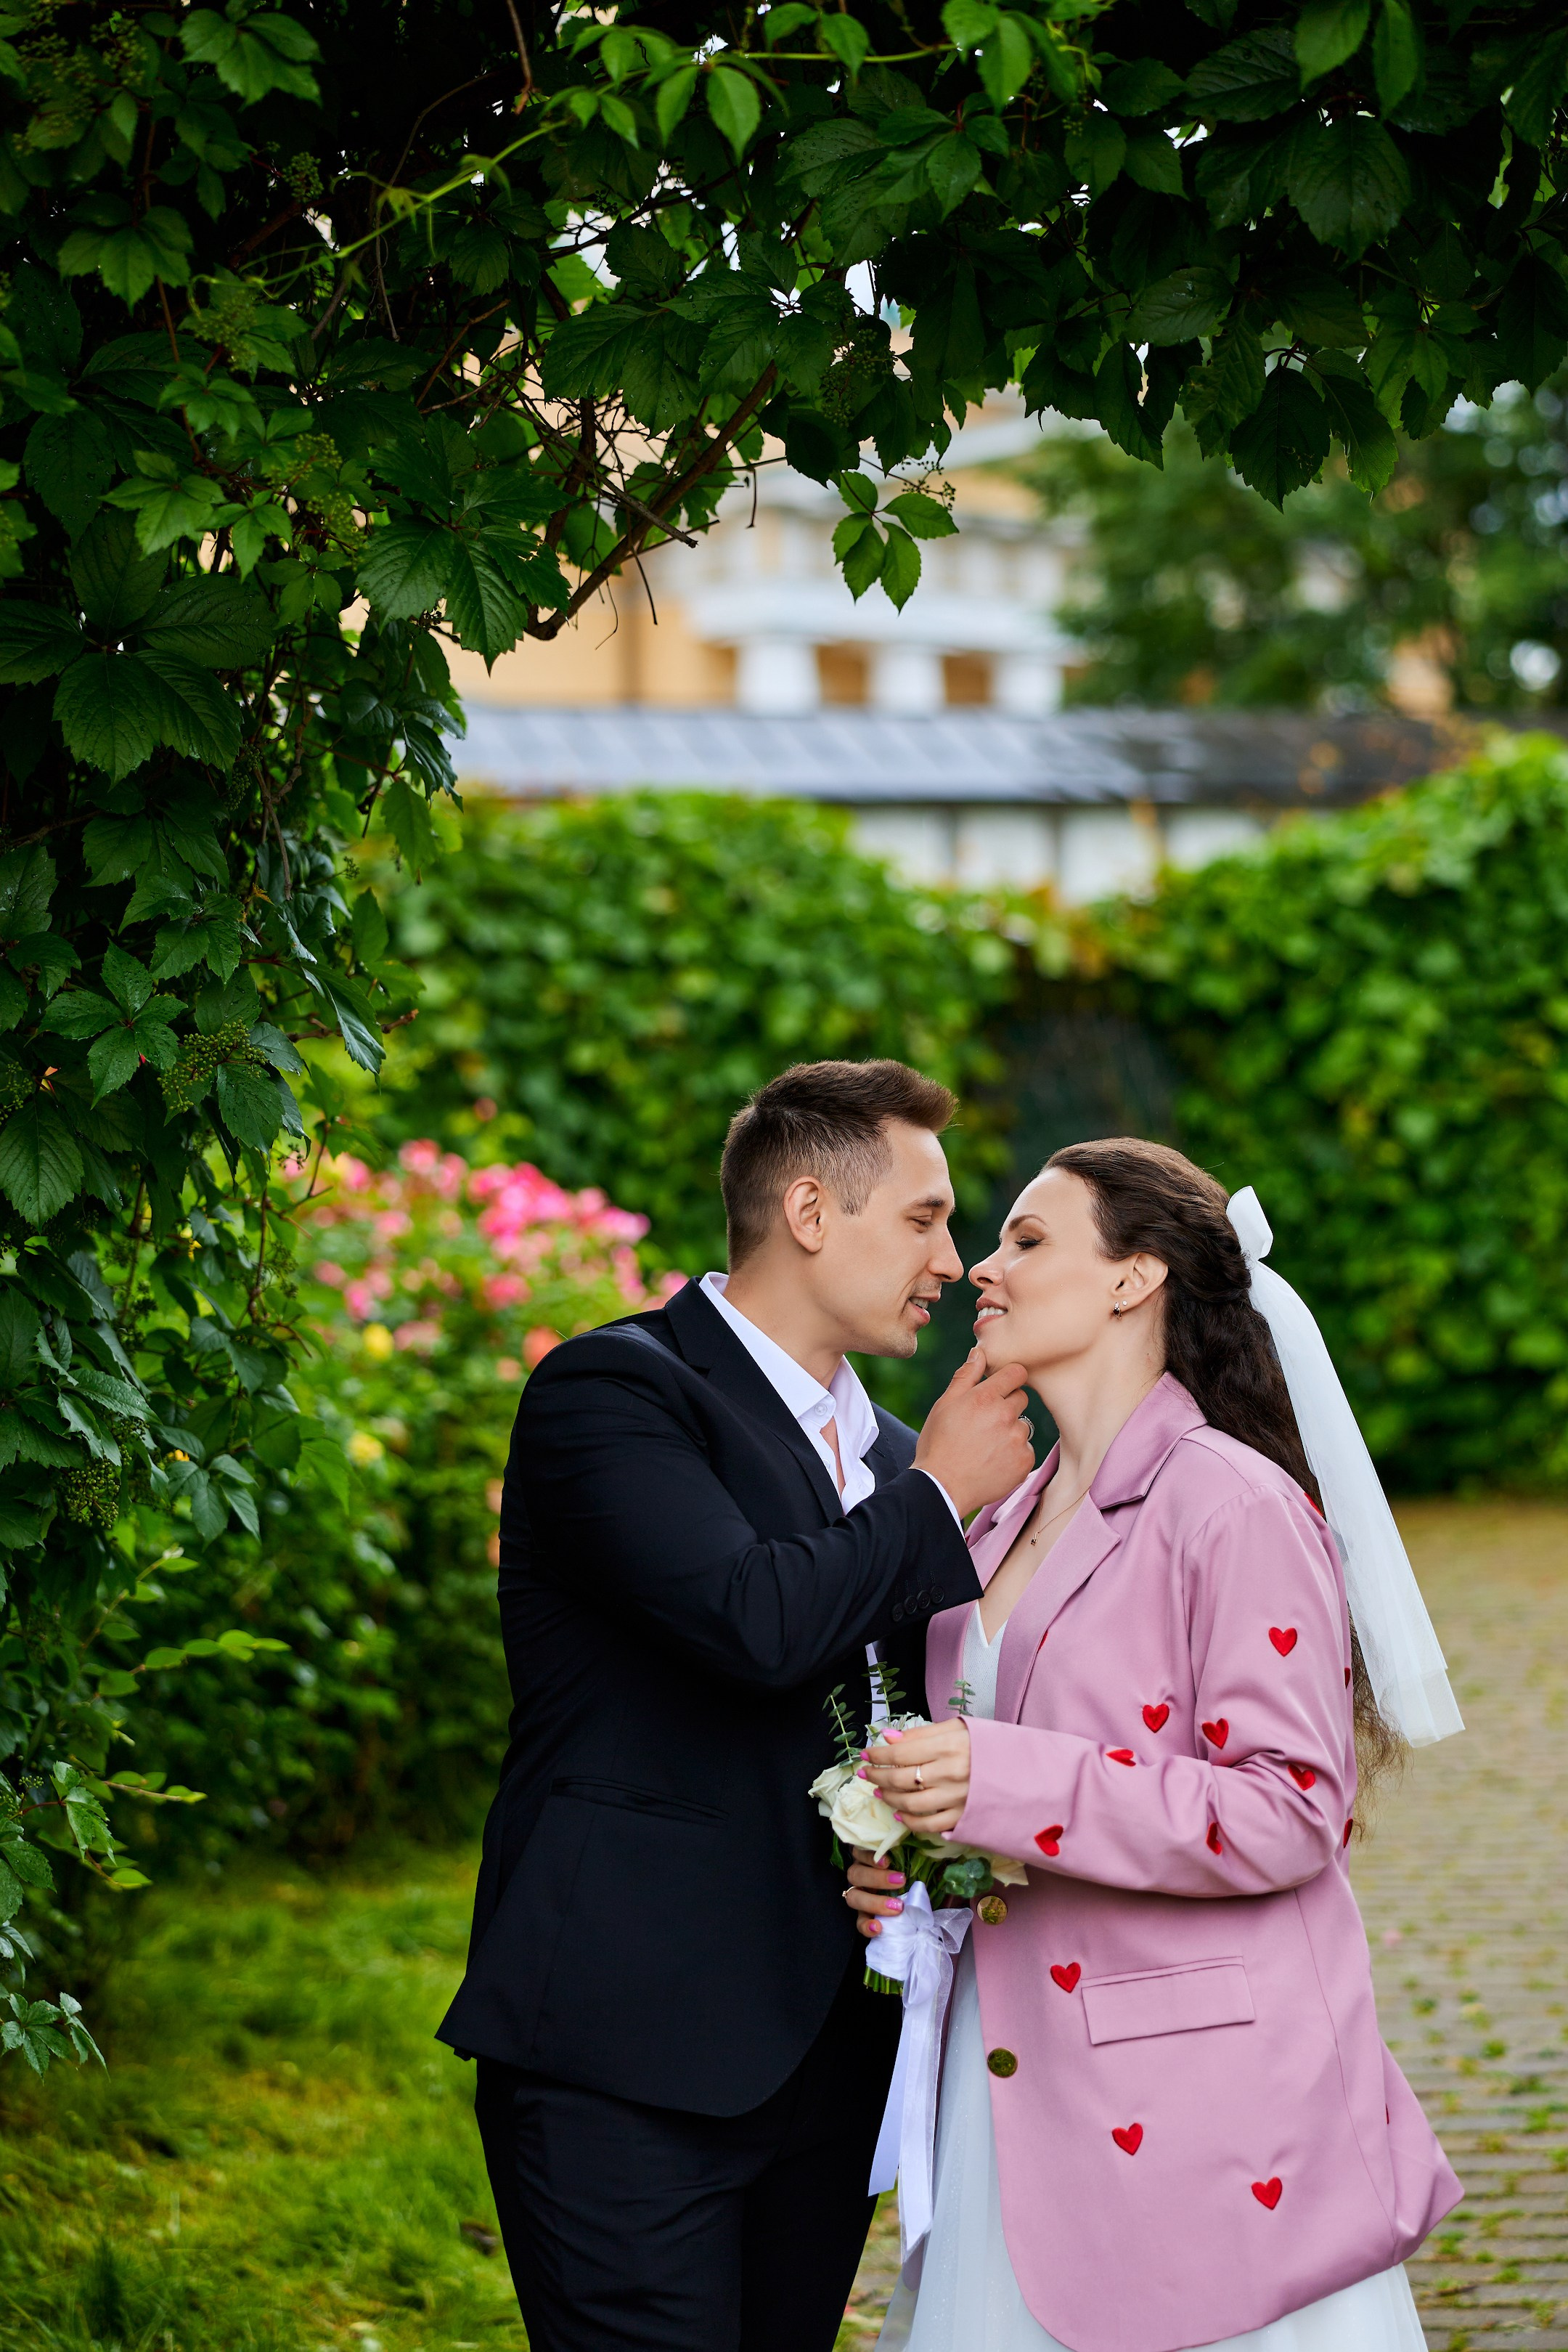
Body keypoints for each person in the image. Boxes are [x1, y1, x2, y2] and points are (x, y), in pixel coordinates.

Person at [438, 1058, 1037, 2352]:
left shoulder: (879, 1447)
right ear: (812, 1213)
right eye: (925, 1219)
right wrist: (938, 1500)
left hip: (828, 2057)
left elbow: (878, 1704)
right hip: (625, 2053)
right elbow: (747, 1620)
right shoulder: (615, 1393)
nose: (952, 1259)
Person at [848, 1138, 1463, 2352]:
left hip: (1189, 2105)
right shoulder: (1000, 1516)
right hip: (1008, 2076)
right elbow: (993, 1777)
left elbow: (1291, 1809)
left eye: (1027, 1239)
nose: (984, 1266)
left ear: (1134, 1280)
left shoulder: (1230, 1504)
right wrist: (914, 1859)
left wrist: (999, 1783)